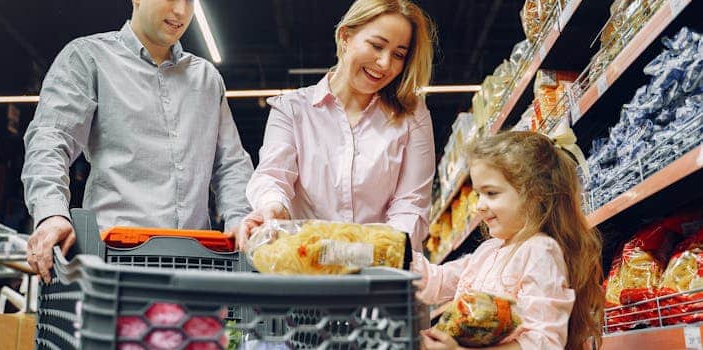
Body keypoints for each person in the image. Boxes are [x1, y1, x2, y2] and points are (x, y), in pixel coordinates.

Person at [22, 0, 253, 282]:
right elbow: (50, 138)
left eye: (189, 1)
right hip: (113, 265)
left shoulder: (206, 79)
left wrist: (241, 220)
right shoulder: (89, 58)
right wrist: (51, 214)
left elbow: (231, 164)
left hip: (197, 268)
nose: (181, 11)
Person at [237, 0, 437, 252]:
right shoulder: (293, 110)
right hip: (306, 267)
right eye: (376, 46)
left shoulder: (411, 116)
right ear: (345, 36)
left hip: (381, 273)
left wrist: (375, 253)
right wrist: (272, 207)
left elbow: (411, 204)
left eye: (398, 54)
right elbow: (273, 176)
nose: (385, 63)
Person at [415, 131, 604, 350]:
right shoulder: (488, 251)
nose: (479, 206)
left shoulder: (540, 251)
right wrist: (394, 253)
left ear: (537, 194)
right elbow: (437, 281)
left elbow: (543, 343)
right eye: (478, 194)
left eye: (491, 193)